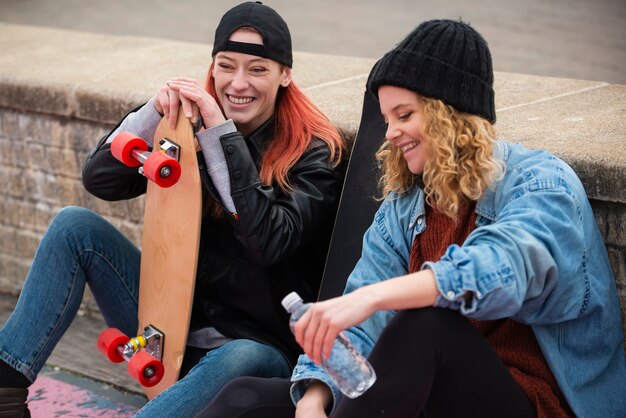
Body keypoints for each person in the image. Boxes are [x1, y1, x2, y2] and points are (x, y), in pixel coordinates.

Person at [195, 19, 626, 418]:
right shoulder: (405, 206)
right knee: (244, 400)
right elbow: (360, 323)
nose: (389, 133)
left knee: (427, 323)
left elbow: (504, 268)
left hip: (533, 401)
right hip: (430, 395)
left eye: (404, 115)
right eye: (386, 119)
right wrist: (315, 397)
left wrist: (375, 298)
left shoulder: (540, 184)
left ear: (450, 115)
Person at [0, 2, 346, 417]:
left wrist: (220, 134)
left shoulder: (315, 154)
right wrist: (152, 114)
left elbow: (268, 242)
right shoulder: (189, 130)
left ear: (285, 74)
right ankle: (5, 391)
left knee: (242, 355)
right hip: (169, 332)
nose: (239, 83)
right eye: (226, 65)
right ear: (212, 68)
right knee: (74, 227)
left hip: (255, 354)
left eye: (257, 69)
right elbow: (101, 180)